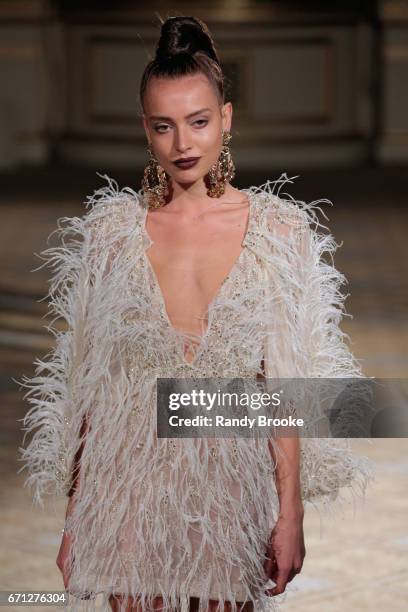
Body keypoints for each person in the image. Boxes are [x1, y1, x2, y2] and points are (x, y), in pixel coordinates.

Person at [18, 15, 373, 612]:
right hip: (124, 489)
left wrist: (290, 514)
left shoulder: (279, 231)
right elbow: (90, 387)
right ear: (145, 130)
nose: (183, 144)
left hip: (227, 492)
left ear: (226, 120)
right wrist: (75, 520)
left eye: (199, 122)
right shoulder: (111, 233)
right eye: (165, 127)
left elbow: (281, 387)